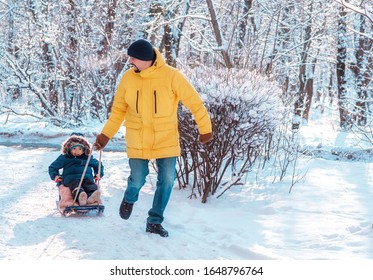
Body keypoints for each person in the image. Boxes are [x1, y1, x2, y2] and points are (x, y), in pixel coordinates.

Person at [94, 39, 213, 237]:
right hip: (138, 138)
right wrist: (105, 135)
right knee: (137, 179)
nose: (130, 60)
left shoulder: (172, 76)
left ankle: (154, 221)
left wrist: (205, 129)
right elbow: (118, 112)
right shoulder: (128, 79)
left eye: (133, 57)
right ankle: (130, 197)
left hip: (165, 138)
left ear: (145, 59)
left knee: (167, 180)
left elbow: (195, 103)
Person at [49, 133, 104, 206]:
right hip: (71, 179)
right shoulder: (65, 157)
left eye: (80, 149)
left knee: (90, 185)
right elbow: (53, 167)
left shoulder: (87, 158)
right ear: (69, 148)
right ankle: (81, 196)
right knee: (75, 186)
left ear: (84, 150)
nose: (77, 151)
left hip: (86, 178)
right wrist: (56, 176)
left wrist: (98, 173)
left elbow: (98, 165)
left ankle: (93, 195)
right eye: (74, 148)